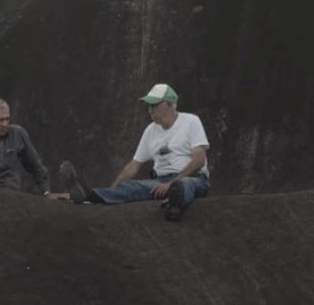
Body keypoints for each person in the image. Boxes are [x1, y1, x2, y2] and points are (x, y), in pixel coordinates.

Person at [63, 83, 211, 221]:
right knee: (131, 187)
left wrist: (172, 183)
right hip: (160, 182)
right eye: (149, 106)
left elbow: (199, 160)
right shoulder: (150, 130)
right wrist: (113, 190)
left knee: (186, 185)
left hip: (192, 178)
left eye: (154, 105)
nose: (150, 110)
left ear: (170, 105)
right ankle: (89, 195)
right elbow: (133, 166)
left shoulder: (191, 121)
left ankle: (176, 202)